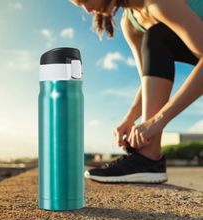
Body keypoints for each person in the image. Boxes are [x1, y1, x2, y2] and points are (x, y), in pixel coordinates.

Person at [69, 0, 203, 183]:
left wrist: (157, 121)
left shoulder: (158, 3)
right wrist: (130, 118)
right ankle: (148, 158)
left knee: (157, 34)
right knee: (156, 36)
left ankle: (148, 157)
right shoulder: (130, 24)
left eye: (85, 0)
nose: (89, 9)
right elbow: (151, 81)